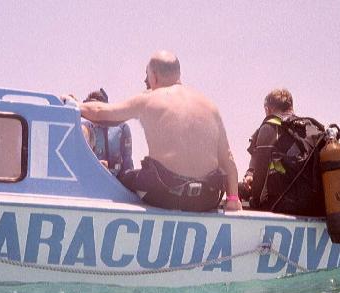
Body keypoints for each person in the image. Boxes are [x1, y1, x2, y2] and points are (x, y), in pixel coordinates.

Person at [76, 51, 242, 212]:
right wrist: (233, 199)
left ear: (153, 76)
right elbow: (227, 159)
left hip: (164, 194)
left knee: (123, 178)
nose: (145, 80)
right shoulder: (210, 106)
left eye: (146, 75)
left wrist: (75, 104)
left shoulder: (149, 98)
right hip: (206, 199)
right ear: (178, 74)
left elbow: (100, 112)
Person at [240, 88, 326, 215]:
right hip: (315, 207)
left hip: (283, 205)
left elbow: (261, 174)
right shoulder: (313, 129)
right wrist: (250, 173)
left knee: (239, 189)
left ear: (267, 109)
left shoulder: (270, 126)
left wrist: (255, 203)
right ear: (291, 107)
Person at [80, 88, 134, 177]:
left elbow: (127, 162)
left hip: (116, 182)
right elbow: (79, 161)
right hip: (90, 179)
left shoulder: (122, 128)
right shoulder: (82, 129)